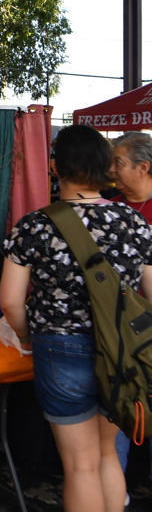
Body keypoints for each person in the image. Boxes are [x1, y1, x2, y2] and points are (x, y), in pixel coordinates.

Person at [0, 125, 152, 512]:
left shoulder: (34, 225)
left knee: (79, 465)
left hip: (59, 347)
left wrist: (28, 337)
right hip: (120, 351)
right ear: (105, 168)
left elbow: (11, 302)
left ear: (55, 167)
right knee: (108, 455)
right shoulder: (133, 222)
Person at [108, 131, 152, 500]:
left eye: (119, 162)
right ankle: (115, 490)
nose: (112, 170)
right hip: (118, 331)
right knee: (119, 407)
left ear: (144, 167)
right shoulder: (111, 210)